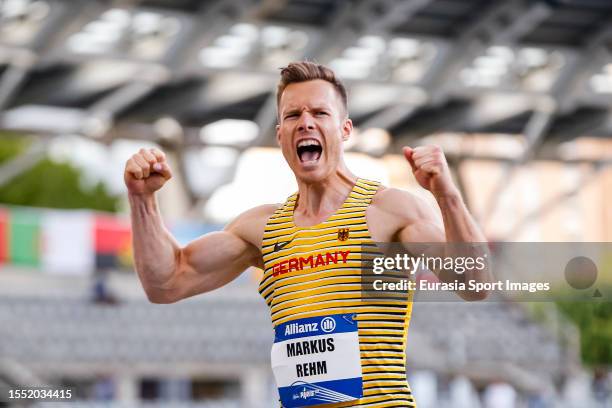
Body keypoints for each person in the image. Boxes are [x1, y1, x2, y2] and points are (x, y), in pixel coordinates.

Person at [124, 61, 490, 407]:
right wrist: (142, 200)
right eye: (293, 115)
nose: (306, 123)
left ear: (345, 129)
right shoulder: (261, 228)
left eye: (320, 113)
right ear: (280, 134)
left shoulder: (389, 210)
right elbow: (166, 282)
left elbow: (474, 282)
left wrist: (447, 194)